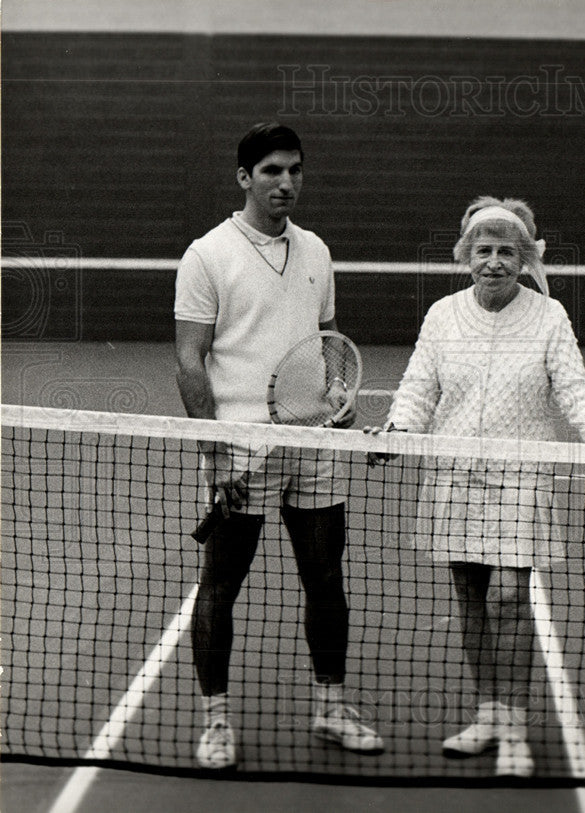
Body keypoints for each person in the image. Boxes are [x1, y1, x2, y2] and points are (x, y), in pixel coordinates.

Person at [369, 196, 585, 778]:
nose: (494, 261)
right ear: (467, 255)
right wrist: (394, 432)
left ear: (526, 259)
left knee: (510, 599)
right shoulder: (442, 315)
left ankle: (515, 727)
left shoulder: (550, 317)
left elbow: (574, 389)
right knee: (470, 601)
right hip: (453, 473)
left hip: (519, 475)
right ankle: (488, 714)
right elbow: (419, 389)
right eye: (484, 250)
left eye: (506, 252)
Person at [174, 122, 383, 770]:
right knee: (220, 587)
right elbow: (189, 357)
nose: (286, 181)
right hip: (240, 447)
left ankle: (331, 705)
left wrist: (340, 392)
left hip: (312, 441)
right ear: (245, 177)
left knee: (326, 578)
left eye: (294, 169)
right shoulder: (208, 254)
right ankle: (215, 720)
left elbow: (326, 336)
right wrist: (214, 452)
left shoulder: (317, 250)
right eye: (271, 170)